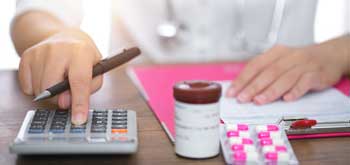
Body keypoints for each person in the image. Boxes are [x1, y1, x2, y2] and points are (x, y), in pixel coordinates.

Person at [11, 0, 349, 125]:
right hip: (139, 109)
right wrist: (55, 35)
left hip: (296, 102)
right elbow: (37, 10)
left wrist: (339, 51)